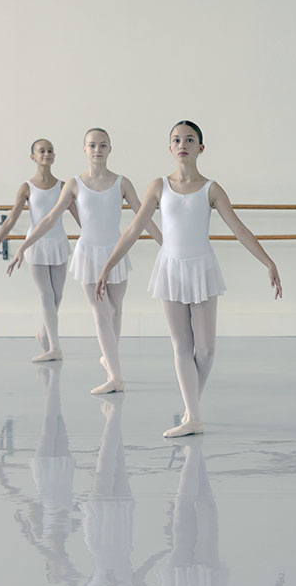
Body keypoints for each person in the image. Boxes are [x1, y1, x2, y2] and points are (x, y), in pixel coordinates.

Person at [95, 120, 282, 438]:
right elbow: (133, 229)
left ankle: (191, 406)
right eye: (177, 139)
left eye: (190, 139)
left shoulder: (212, 189)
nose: (183, 144)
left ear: (200, 148)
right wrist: (108, 265)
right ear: (170, 148)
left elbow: (239, 229)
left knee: (206, 350)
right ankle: (193, 416)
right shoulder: (158, 186)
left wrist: (268, 262)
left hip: (202, 268)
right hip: (171, 268)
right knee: (182, 346)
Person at [9, 128, 161, 394]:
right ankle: (115, 376)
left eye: (102, 145)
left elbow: (143, 216)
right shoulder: (74, 184)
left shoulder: (122, 183)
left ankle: (109, 357)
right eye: (92, 145)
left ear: (110, 149)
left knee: (115, 310)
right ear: (85, 150)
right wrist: (24, 246)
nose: (97, 150)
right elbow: (49, 218)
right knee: (101, 312)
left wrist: (165, 243)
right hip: (88, 254)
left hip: (115, 252)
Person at [0, 138, 79, 362]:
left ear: (54, 155)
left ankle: (44, 333)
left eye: (50, 150)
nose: (46, 154)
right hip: (35, 244)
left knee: (57, 295)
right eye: (41, 151)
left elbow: (79, 216)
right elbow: (10, 220)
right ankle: (54, 347)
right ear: (33, 157)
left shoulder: (63, 186)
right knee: (46, 295)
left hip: (57, 242)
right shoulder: (27, 187)